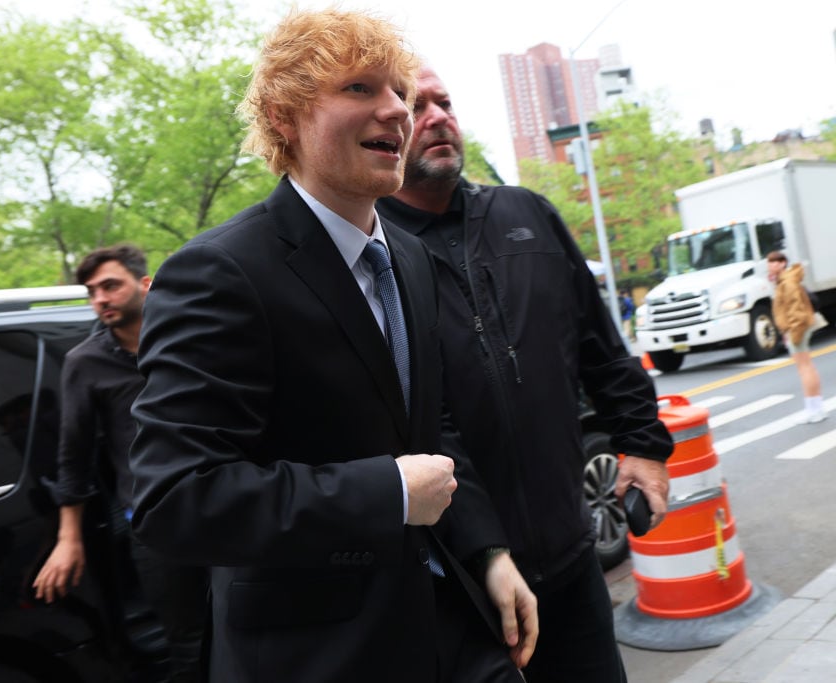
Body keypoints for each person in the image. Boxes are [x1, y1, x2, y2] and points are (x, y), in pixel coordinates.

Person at [128, 11, 533, 683]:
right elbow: (175, 498)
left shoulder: (408, 255)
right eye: (359, 89)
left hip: (453, 626)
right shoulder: (218, 272)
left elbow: (430, 428)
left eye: (399, 90)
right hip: (315, 657)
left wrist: (487, 550)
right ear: (285, 115)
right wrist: (387, 491)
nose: (396, 110)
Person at [376, 65, 674, 683]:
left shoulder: (527, 213)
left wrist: (642, 443)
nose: (437, 117)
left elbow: (601, 346)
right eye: (416, 104)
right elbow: (411, 423)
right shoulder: (374, 253)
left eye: (446, 102)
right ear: (388, 124)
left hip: (572, 561)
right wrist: (483, 548)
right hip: (465, 584)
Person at [32, 244, 207, 683]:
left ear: (145, 285)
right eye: (92, 292)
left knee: (252, 622)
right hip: (156, 523)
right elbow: (74, 454)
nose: (100, 299)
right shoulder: (84, 363)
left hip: (225, 500)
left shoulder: (191, 338)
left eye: (110, 286)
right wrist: (68, 538)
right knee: (189, 645)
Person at [768, 250, 827, 424]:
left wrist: (793, 333)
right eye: (769, 263)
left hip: (797, 328)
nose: (770, 267)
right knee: (807, 366)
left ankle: (813, 410)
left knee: (804, 368)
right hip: (796, 327)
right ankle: (816, 408)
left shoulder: (788, 282)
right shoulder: (785, 280)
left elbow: (796, 310)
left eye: (772, 263)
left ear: (782, 263)